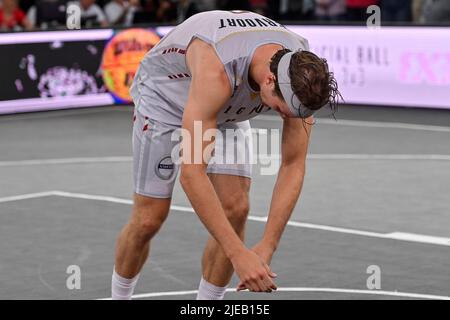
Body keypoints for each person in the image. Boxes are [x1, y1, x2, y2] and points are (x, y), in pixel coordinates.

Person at [112, 10, 340, 300]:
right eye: (282, 110)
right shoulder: (216, 69)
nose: (286, 117)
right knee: (149, 219)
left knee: (236, 209)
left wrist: (268, 244)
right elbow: (192, 174)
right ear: (269, 80)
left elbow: (293, 163)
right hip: (165, 99)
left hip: (225, 104)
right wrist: (238, 255)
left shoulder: (301, 74)